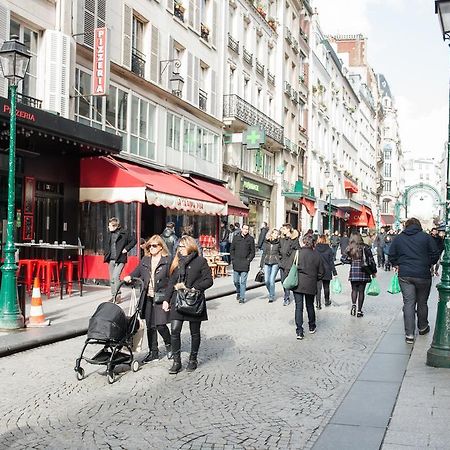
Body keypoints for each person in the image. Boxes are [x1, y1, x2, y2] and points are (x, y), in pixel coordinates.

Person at [162, 236, 213, 373]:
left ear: (190, 247)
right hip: (177, 300)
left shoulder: (200, 261)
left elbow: (209, 280)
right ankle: (176, 361)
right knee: (174, 330)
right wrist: (166, 300)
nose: (180, 249)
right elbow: (171, 283)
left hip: (194, 301)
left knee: (194, 332)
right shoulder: (177, 261)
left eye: (182, 247)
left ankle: (192, 359)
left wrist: (195, 288)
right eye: (179, 247)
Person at [388, 218, 440, 344]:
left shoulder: (399, 238)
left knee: (408, 303)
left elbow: (391, 254)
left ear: (406, 226)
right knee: (422, 302)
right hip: (423, 274)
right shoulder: (426, 237)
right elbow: (435, 253)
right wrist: (429, 263)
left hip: (405, 274)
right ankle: (422, 327)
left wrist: (397, 264)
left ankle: (409, 334)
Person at [124, 235, 172, 363]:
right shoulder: (145, 260)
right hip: (148, 297)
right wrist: (129, 277)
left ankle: (169, 345)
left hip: (161, 296)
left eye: (154, 245)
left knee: (161, 324)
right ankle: (153, 352)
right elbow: (136, 273)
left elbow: (173, 280)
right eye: (149, 245)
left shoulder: (167, 261)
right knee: (151, 326)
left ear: (161, 247)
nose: (151, 248)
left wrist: (169, 298)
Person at [292, 234, 324, 339]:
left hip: (298, 284)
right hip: (311, 283)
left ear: (304, 242)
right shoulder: (317, 255)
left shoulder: (298, 253)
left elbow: (290, 268)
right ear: (313, 243)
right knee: (310, 306)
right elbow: (321, 272)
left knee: (298, 307)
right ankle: (311, 326)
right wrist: (315, 278)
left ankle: (299, 331)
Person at [341, 232, 377, 318]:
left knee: (354, 290)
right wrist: (373, 271)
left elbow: (343, 259)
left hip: (354, 271)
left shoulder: (350, 247)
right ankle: (359, 311)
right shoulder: (365, 247)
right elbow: (371, 260)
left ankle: (353, 305)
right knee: (361, 291)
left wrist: (350, 262)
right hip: (363, 271)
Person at [104, 217, 136, 302]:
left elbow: (134, 240)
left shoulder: (124, 233)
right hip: (111, 259)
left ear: (115, 226)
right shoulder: (110, 234)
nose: (108, 227)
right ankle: (113, 295)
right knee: (111, 279)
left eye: (110, 225)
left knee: (115, 277)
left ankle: (118, 296)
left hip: (120, 258)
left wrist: (126, 248)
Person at [230, 223, 256, 303]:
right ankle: (238, 292)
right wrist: (233, 259)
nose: (245, 231)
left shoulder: (250, 239)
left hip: (245, 263)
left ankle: (242, 297)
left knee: (243, 282)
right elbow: (232, 249)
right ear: (241, 229)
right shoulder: (236, 237)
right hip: (236, 262)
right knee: (236, 281)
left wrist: (248, 260)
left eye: (247, 229)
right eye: (244, 229)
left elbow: (253, 252)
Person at [279, 224, 300, 306]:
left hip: (290, 263)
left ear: (288, 229)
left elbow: (298, 250)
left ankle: (287, 297)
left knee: (289, 280)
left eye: (283, 229)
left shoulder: (294, 239)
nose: (282, 230)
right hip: (282, 263)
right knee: (283, 281)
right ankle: (287, 294)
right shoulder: (281, 239)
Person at [315, 235, 337, 309]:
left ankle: (318, 304)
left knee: (318, 288)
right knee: (326, 287)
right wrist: (334, 272)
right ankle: (327, 301)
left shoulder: (315, 249)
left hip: (318, 270)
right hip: (327, 270)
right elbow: (331, 262)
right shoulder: (329, 249)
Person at [260, 228, 281, 303]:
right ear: (271, 234)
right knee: (266, 281)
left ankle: (271, 296)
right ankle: (271, 292)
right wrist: (261, 265)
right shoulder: (267, 242)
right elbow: (264, 253)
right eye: (274, 233)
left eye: (277, 234)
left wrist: (279, 260)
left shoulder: (279, 243)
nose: (276, 235)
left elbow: (281, 253)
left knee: (272, 280)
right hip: (266, 262)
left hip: (275, 262)